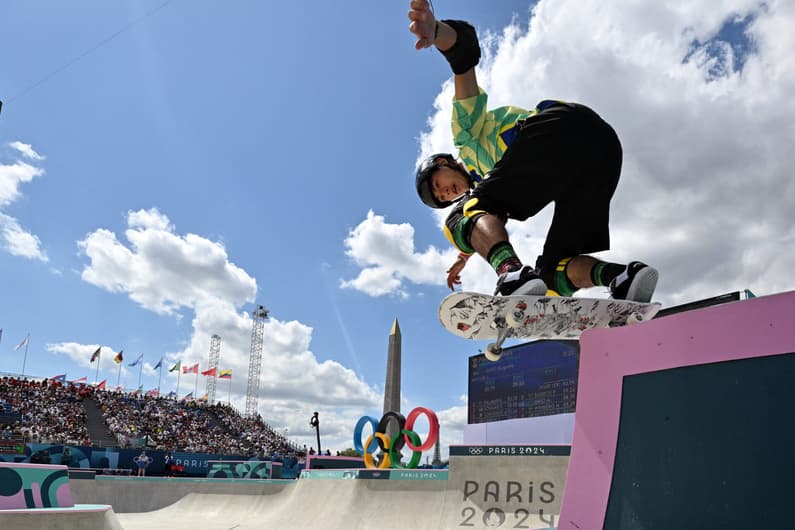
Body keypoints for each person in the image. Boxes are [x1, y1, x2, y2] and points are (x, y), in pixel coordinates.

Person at [408, 0, 658, 302]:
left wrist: (438, 32)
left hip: (557, 128)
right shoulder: (495, 186)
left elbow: (465, 60)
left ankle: (511, 273)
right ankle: (622, 277)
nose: (447, 193)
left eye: (439, 184)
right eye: (443, 197)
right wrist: (465, 257)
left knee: (459, 219)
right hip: (599, 152)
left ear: (445, 161)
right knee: (553, 273)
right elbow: (487, 222)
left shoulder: (467, 136)